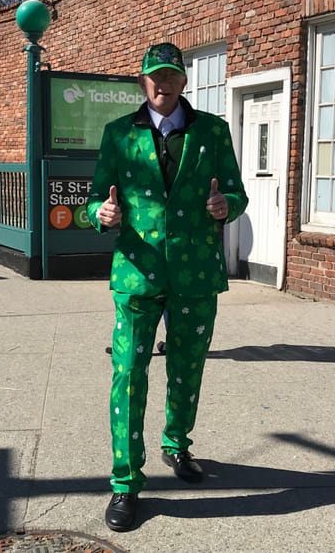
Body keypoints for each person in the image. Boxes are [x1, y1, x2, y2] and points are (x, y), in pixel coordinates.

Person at [87, 42, 248, 532]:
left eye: (171, 76)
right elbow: (95, 199)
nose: (163, 84)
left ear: (183, 82)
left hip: (195, 272)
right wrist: (101, 214)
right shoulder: (119, 135)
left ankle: (177, 443)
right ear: (142, 82)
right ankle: (124, 483)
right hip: (136, 272)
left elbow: (236, 192)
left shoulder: (213, 132)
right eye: (154, 76)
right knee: (129, 374)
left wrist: (228, 208)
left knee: (188, 365)